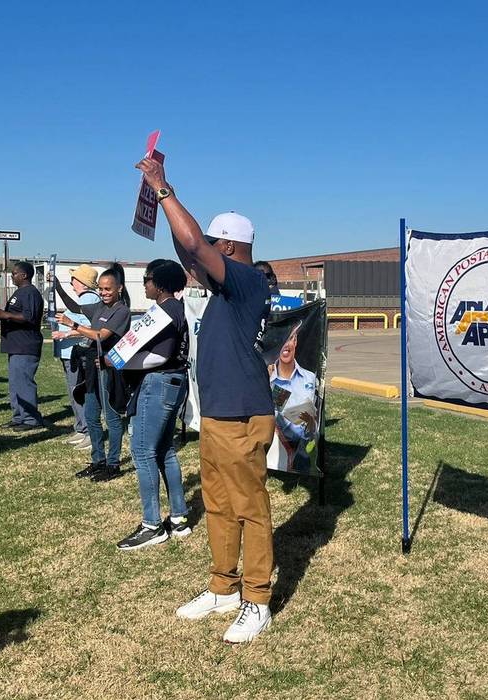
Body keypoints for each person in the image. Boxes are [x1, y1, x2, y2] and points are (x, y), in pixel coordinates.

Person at [136, 155, 276, 643]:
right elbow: (189, 246)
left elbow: (194, 244)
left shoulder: (247, 281)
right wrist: (160, 200)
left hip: (243, 414)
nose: (198, 261)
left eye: (215, 248)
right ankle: (223, 587)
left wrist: (164, 190)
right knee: (217, 504)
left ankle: (257, 599)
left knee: (249, 506)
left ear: (231, 246)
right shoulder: (223, 290)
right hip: (218, 415)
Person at [115, 259, 193, 550]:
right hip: (172, 382)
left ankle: (152, 525)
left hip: (159, 381)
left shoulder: (165, 309)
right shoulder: (175, 308)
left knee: (143, 451)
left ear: (159, 284)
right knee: (164, 450)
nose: (144, 284)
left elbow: (161, 355)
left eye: (147, 279)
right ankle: (179, 518)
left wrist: (121, 362)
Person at [56, 265, 130, 482]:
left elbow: (100, 335)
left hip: (109, 370)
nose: (104, 293)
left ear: (119, 288)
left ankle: (113, 463)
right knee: (91, 415)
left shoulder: (121, 311)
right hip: (91, 369)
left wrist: (73, 325)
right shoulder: (99, 307)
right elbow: (75, 306)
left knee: (112, 418)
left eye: (108, 289)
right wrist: (57, 288)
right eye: (101, 289)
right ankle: (98, 461)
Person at [0, 261, 46, 431]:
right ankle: (18, 416)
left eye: (15, 273)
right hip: (15, 345)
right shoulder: (19, 292)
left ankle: (30, 419)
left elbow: (30, 317)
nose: (12, 276)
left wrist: (5, 314)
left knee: (24, 382)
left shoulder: (30, 293)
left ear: (24, 275)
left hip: (26, 345)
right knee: (15, 383)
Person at [50, 264, 101, 448]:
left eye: (74, 279)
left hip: (78, 351)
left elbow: (89, 329)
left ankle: (87, 430)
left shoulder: (89, 299)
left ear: (81, 282)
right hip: (70, 351)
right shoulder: (82, 298)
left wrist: (65, 334)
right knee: (74, 392)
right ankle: (81, 427)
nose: (72, 282)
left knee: (79, 391)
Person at [268, 322, 319, 472]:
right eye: (282, 340)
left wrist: (310, 424)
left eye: (290, 339)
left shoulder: (309, 378)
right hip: (275, 455)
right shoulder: (267, 378)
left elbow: (310, 424)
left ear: (295, 341)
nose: (286, 345)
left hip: (302, 453)